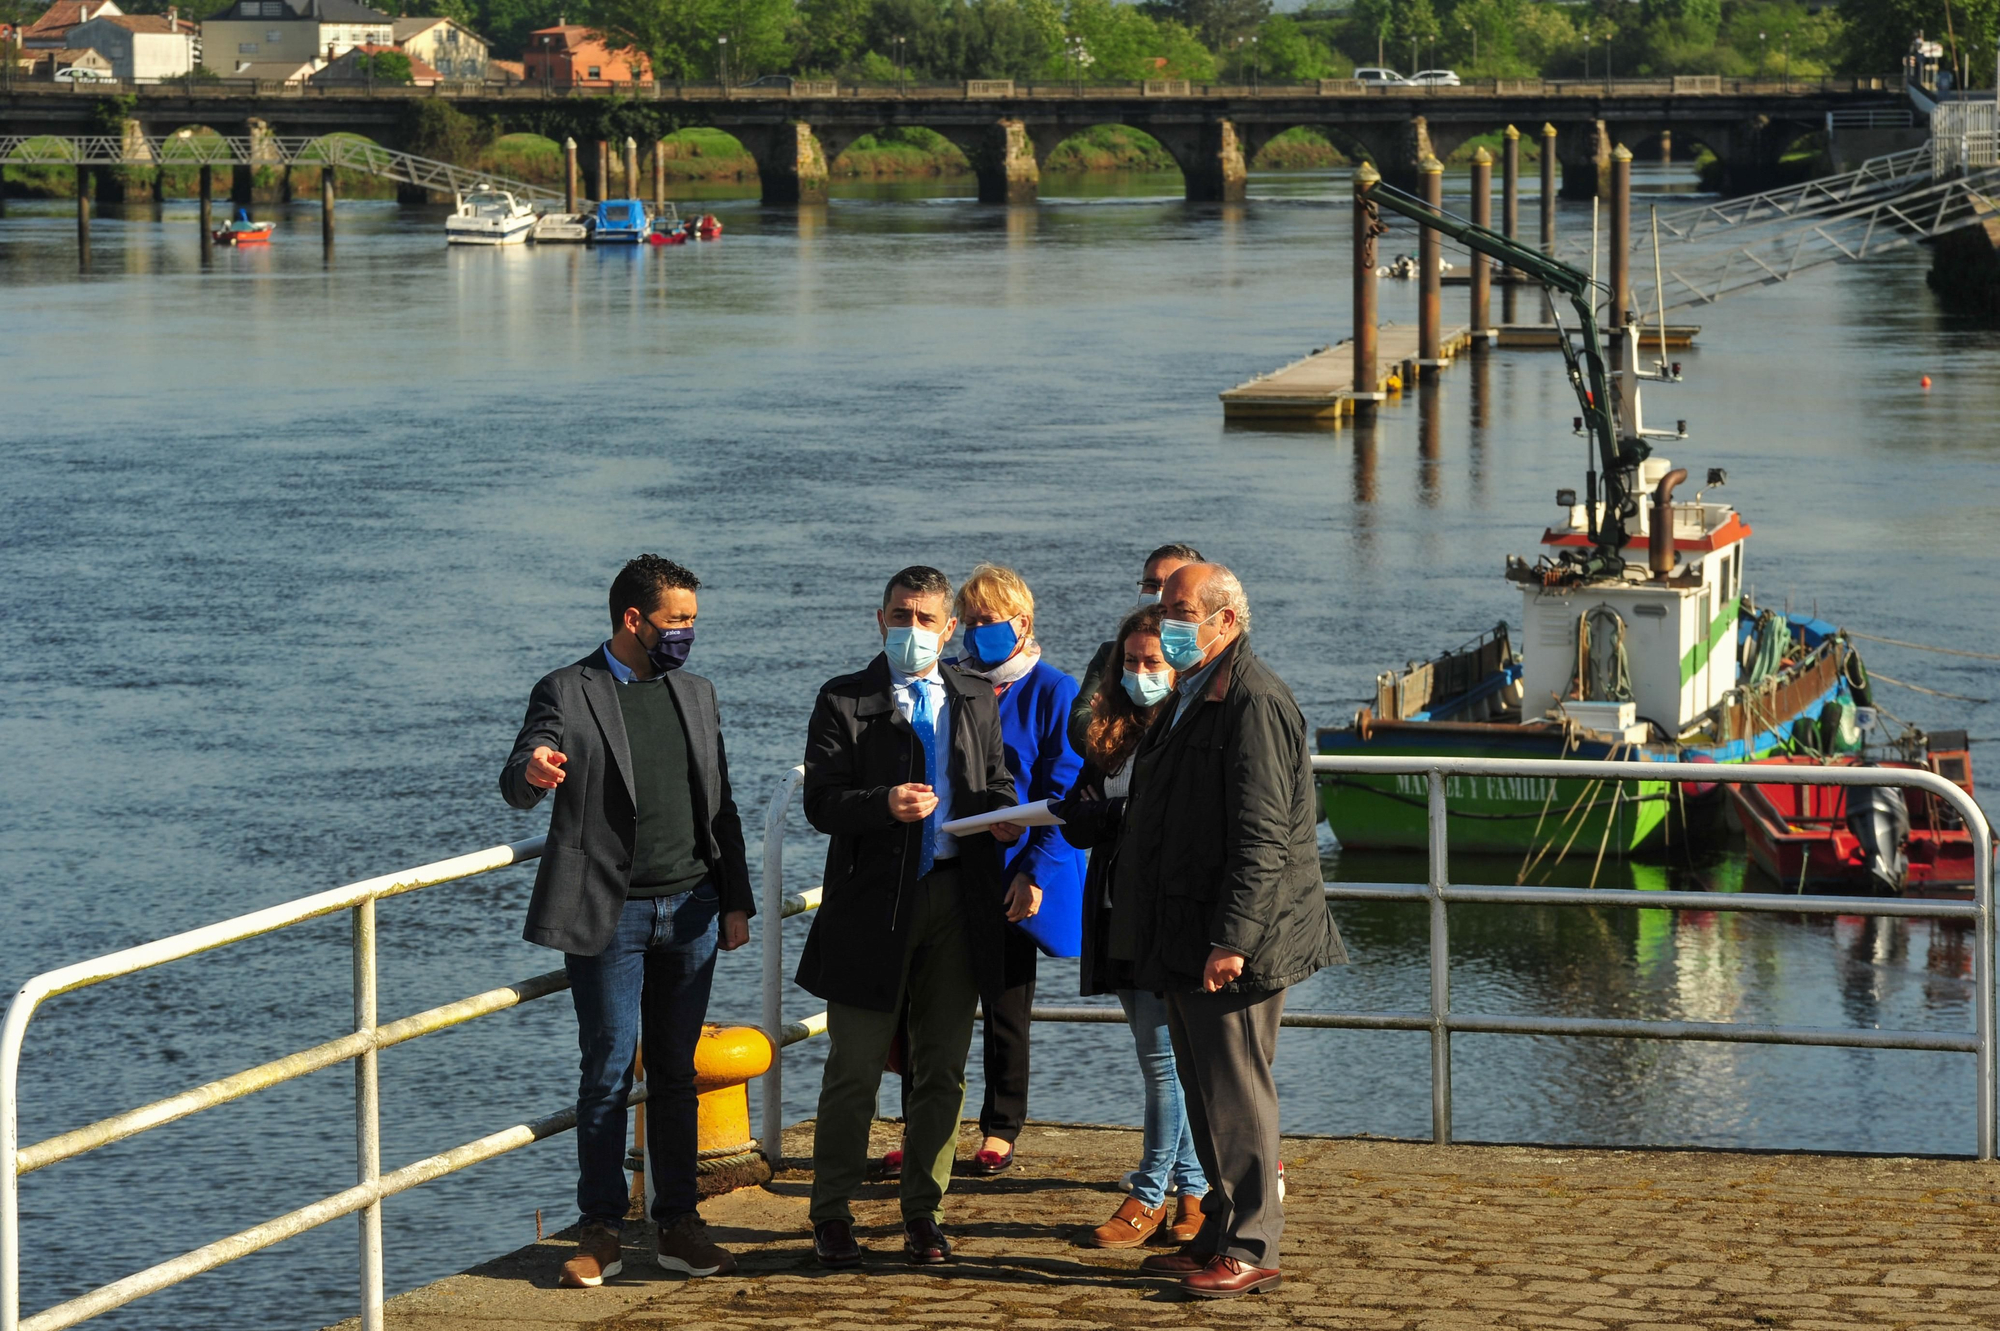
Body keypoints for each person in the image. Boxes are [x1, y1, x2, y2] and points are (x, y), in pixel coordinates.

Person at [499, 555, 756, 1289]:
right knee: (608, 1069)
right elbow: (519, 770)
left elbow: (722, 805)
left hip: (696, 908)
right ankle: (602, 1230)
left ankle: (679, 1223)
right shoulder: (568, 689)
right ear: (633, 620)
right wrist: (536, 769)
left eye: (693, 622)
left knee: (676, 1071)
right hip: (610, 913)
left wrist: (734, 899)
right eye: (677, 621)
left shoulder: (697, 693)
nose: (687, 634)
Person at [1112, 563, 1345, 1300]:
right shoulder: (1193, 694)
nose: (1166, 619)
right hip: (1184, 929)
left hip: (1234, 939)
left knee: (1238, 1092)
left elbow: (1265, 834)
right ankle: (1216, 1228)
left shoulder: (1253, 700)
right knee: (1204, 1088)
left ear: (1225, 620)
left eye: (1181, 609)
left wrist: (1233, 939)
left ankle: (1252, 1244)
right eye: (1164, 606)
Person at [796, 565, 1021, 1269]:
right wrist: (882, 804)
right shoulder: (844, 699)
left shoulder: (975, 694)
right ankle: (831, 1213)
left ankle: (924, 1213)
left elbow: (998, 781)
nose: (913, 631)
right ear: (880, 619)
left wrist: (1007, 821)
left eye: (927, 620)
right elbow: (821, 802)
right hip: (871, 904)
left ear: (950, 628)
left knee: (943, 1069)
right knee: (855, 1065)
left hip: (957, 895)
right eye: (901, 616)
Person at [1058, 604, 1210, 1250]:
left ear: (1178, 666)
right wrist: (1105, 814)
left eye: (1154, 661)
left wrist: (1119, 813)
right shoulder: (1112, 732)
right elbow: (1080, 812)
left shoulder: (1188, 730)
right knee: (1165, 1063)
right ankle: (1195, 1190)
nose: (1141, 672)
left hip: (1167, 921)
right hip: (1118, 913)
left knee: (1164, 1061)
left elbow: (1177, 823)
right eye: (1131, 661)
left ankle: (1152, 1194)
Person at [952, 563, 1085, 1174]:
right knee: (935, 1006)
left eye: (988, 621)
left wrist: (1035, 871)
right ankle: (928, 1124)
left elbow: (1067, 788)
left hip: (1014, 870)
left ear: (1022, 622)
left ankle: (1001, 1127)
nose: (976, 633)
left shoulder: (1056, 690)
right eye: (970, 621)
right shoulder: (950, 681)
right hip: (951, 865)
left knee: (1007, 1008)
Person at [1068, 543, 1204, 759]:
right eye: (1151, 585)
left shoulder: (1204, 661)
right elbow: (1078, 724)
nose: (1159, 594)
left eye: (1170, 585)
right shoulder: (1110, 654)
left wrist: (1111, 718)